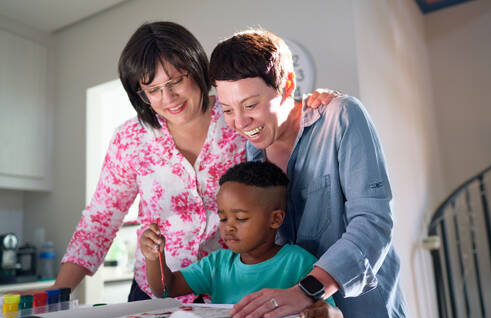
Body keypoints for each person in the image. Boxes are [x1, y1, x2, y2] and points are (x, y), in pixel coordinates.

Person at [43, 22, 335, 303]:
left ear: (196, 67)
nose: (168, 97)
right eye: (152, 90)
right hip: (157, 290)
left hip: (233, 288)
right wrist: (57, 294)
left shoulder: (237, 118)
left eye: (176, 81)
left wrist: (316, 102)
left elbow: (281, 122)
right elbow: (100, 219)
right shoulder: (130, 139)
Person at [209, 29, 410, 318]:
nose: (240, 122)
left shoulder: (340, 117)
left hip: (364, 316)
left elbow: (373, 223)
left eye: (250, 105)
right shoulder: (250, 153)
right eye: (227, 109)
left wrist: (307, 290)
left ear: (288, 85)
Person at [140, 161, 343, 318]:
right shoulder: (217, 264)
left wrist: (330, 317)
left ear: (275, 219)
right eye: (223, 218)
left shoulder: (299, 262)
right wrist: (153, 257)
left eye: (241, 218)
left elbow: (331, 316)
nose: (228, 227)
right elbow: (166, 288)